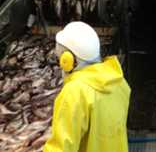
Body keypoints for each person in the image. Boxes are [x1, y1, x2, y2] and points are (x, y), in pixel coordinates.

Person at [43, 22, 131, 152]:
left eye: (60, 57)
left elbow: (62, 148)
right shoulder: (119, 82)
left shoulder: (75, 92)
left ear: (68, 60)